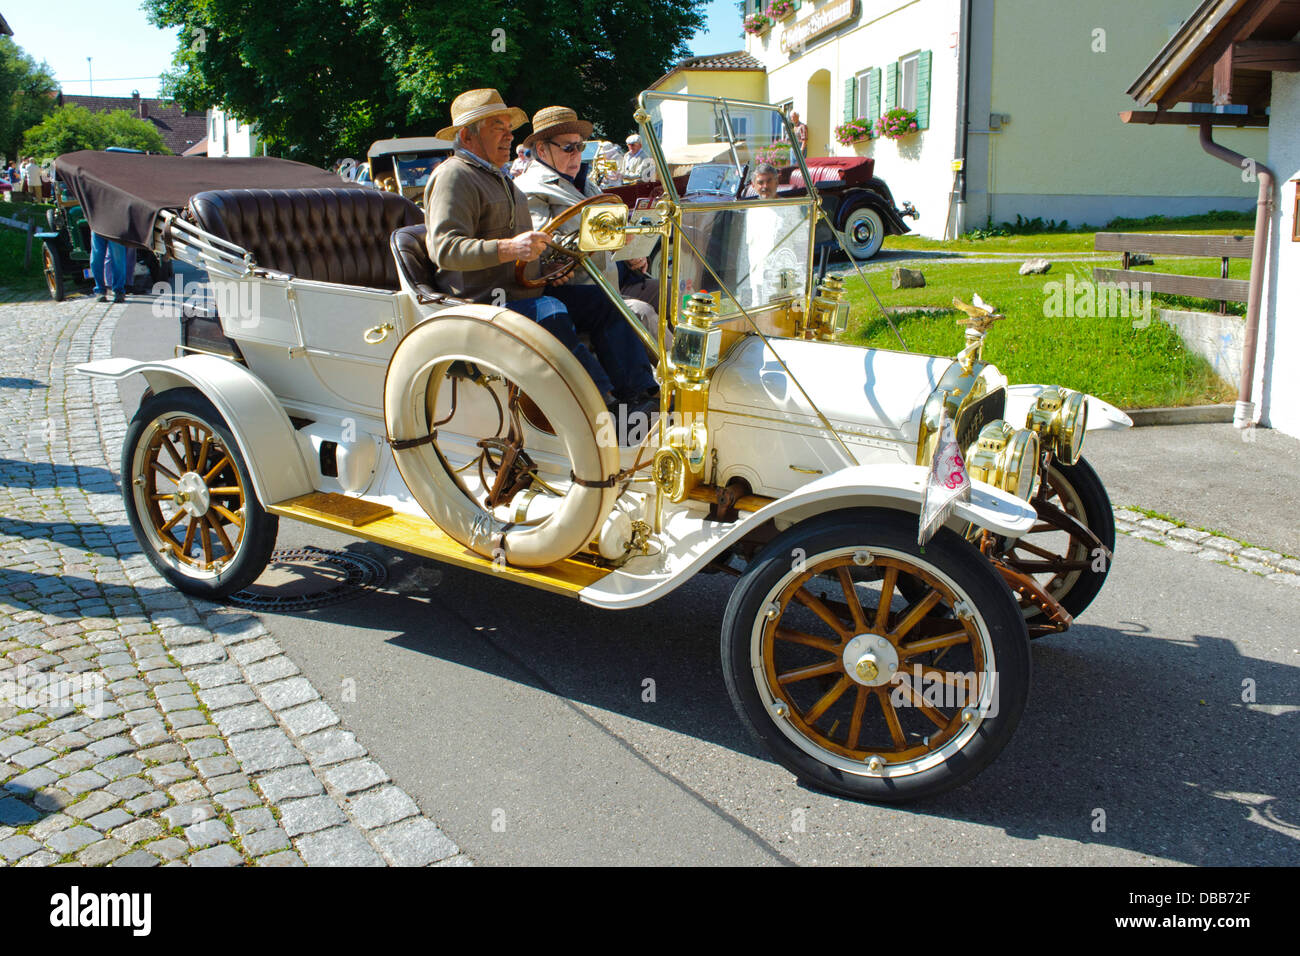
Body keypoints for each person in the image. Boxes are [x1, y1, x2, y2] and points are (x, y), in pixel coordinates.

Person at [424, 88, 657, 419]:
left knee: (605, 303)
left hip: (522, 291)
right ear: (467, 135)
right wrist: (510, 248)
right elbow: (444, 249)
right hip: (481, 303)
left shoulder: (500, 178)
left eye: (509, 127)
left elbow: (532, 249)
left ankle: (642, 394)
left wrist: (548, 267)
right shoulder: (454, 175)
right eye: (497, 128)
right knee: (550, 308)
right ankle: (603, 405)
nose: (509, 136)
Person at [515, 106, 660, 337]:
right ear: (541, 150)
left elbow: (612, 224)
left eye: (580, 146)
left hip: (612, 279)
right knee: (641, 312)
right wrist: (611, 238)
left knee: (671, 292)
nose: (576, 154)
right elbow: (544, 245)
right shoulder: (529, 188)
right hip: (581, 290)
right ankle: (671, 369)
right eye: (568, 147)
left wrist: (632, 252)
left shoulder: (586, 183)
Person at [89, 233, 128, 303]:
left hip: (115, 226)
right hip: (97, 225)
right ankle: (100, 290)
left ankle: (119, 290)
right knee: (96, 259)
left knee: (118, 258)